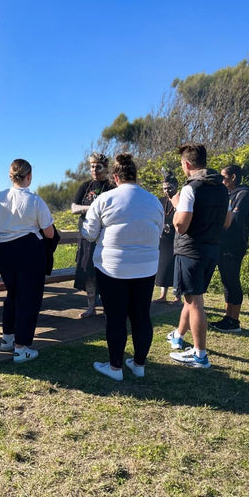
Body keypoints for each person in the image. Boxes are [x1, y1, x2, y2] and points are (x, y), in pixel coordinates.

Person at [81, 153, 164, 381]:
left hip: (112, 268)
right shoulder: (153, 200)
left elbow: (89, 234)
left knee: (116, 318)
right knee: (141, 317)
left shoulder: (105, 199)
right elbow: (158, 230)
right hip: (146, 267)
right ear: (135, 176)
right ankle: (139, 364)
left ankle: (115, 367)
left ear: (115, 177)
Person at [167, 144, 231, 369]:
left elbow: (181, 226)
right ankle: (178, 336)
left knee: (195, 302)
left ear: (187, 164)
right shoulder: (222, 188)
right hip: (212, 248)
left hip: (191, 250)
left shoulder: (190, 188)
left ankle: (200, 356)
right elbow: (226, 222)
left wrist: (176, 206)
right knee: (193, 297)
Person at [0, 159, 54, 363]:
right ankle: (21, 347)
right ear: (29, 176)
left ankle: (8, 337)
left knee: (13, 294)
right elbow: (50, 233)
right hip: (28, 250)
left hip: (4, 250)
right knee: (29, 298)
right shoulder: (34, 200)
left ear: (10, 176)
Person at [211, 164, 249, 333]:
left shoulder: (243, 195)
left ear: (233, 177)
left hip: (234, 244)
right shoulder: (230, 194)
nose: (221, 180)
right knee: (226, 281)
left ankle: (234, 320)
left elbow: (234, 221)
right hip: (224, 244)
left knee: (232, 280)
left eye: (223, 177)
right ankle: (227, 317)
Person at [71, 153, 114, 317]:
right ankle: (91, 307)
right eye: (92, 166)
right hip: (86, 236)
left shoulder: (111, 187)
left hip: (105, 236)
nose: (94, 170)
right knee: (88, 271)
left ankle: (108, 307)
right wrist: (92, 208)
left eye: (98, 166)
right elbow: (74, 208)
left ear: (105, 167)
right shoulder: (86, 186)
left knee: (105, 272)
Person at [154, 172, 181, 304]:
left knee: (176, 267)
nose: (167, 191)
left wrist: (172, 226)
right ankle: (163, 295)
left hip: (177, 238)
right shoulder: (160, 201)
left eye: (169, 188)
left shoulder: (181, 200)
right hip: (163, 239)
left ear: (176, 186)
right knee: (163, 266)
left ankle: (177, 297)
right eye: (164, 188)